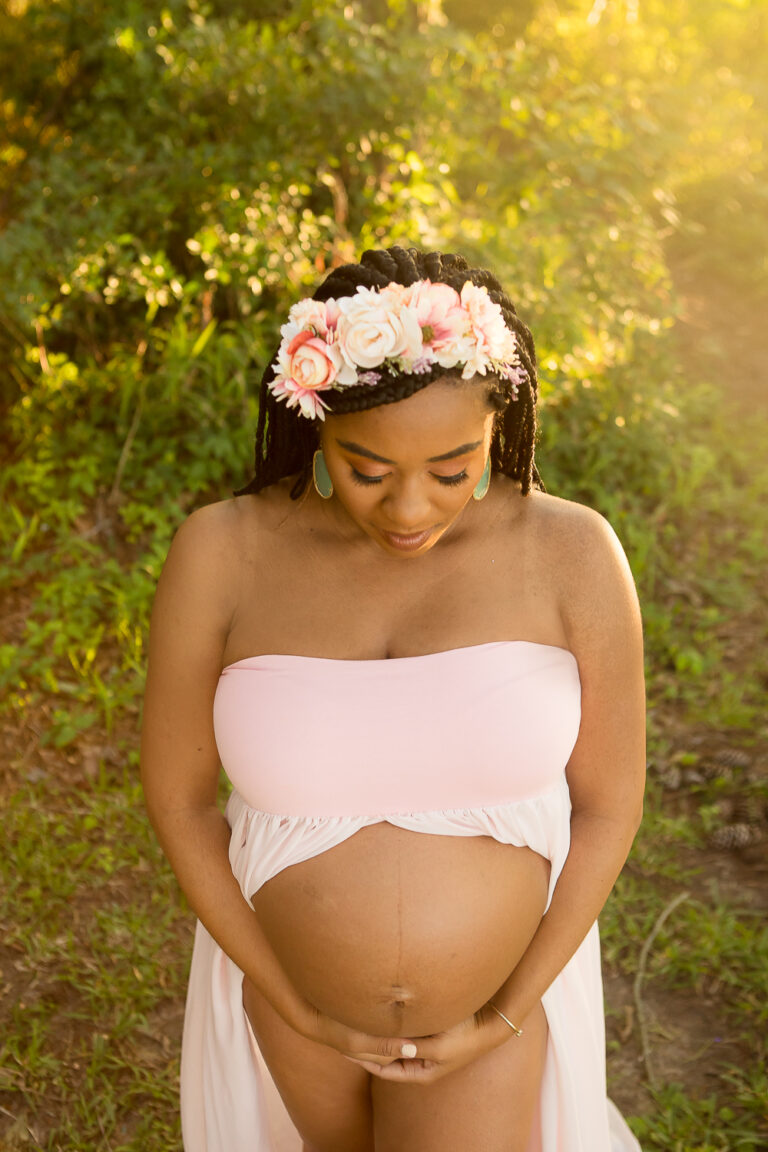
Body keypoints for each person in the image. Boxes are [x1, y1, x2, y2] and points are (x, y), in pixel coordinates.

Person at [140, 245, 646, 1152]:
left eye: (452, 470)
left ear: (501, 424)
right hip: (289, 1016)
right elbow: (178, 800)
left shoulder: (572, 552)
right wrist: (291, 1002)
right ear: (314, 420)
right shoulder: (223, 553)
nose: (409, 509)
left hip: (492, 1021)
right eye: (368, 469)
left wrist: (506, 1015)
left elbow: (610, 805)